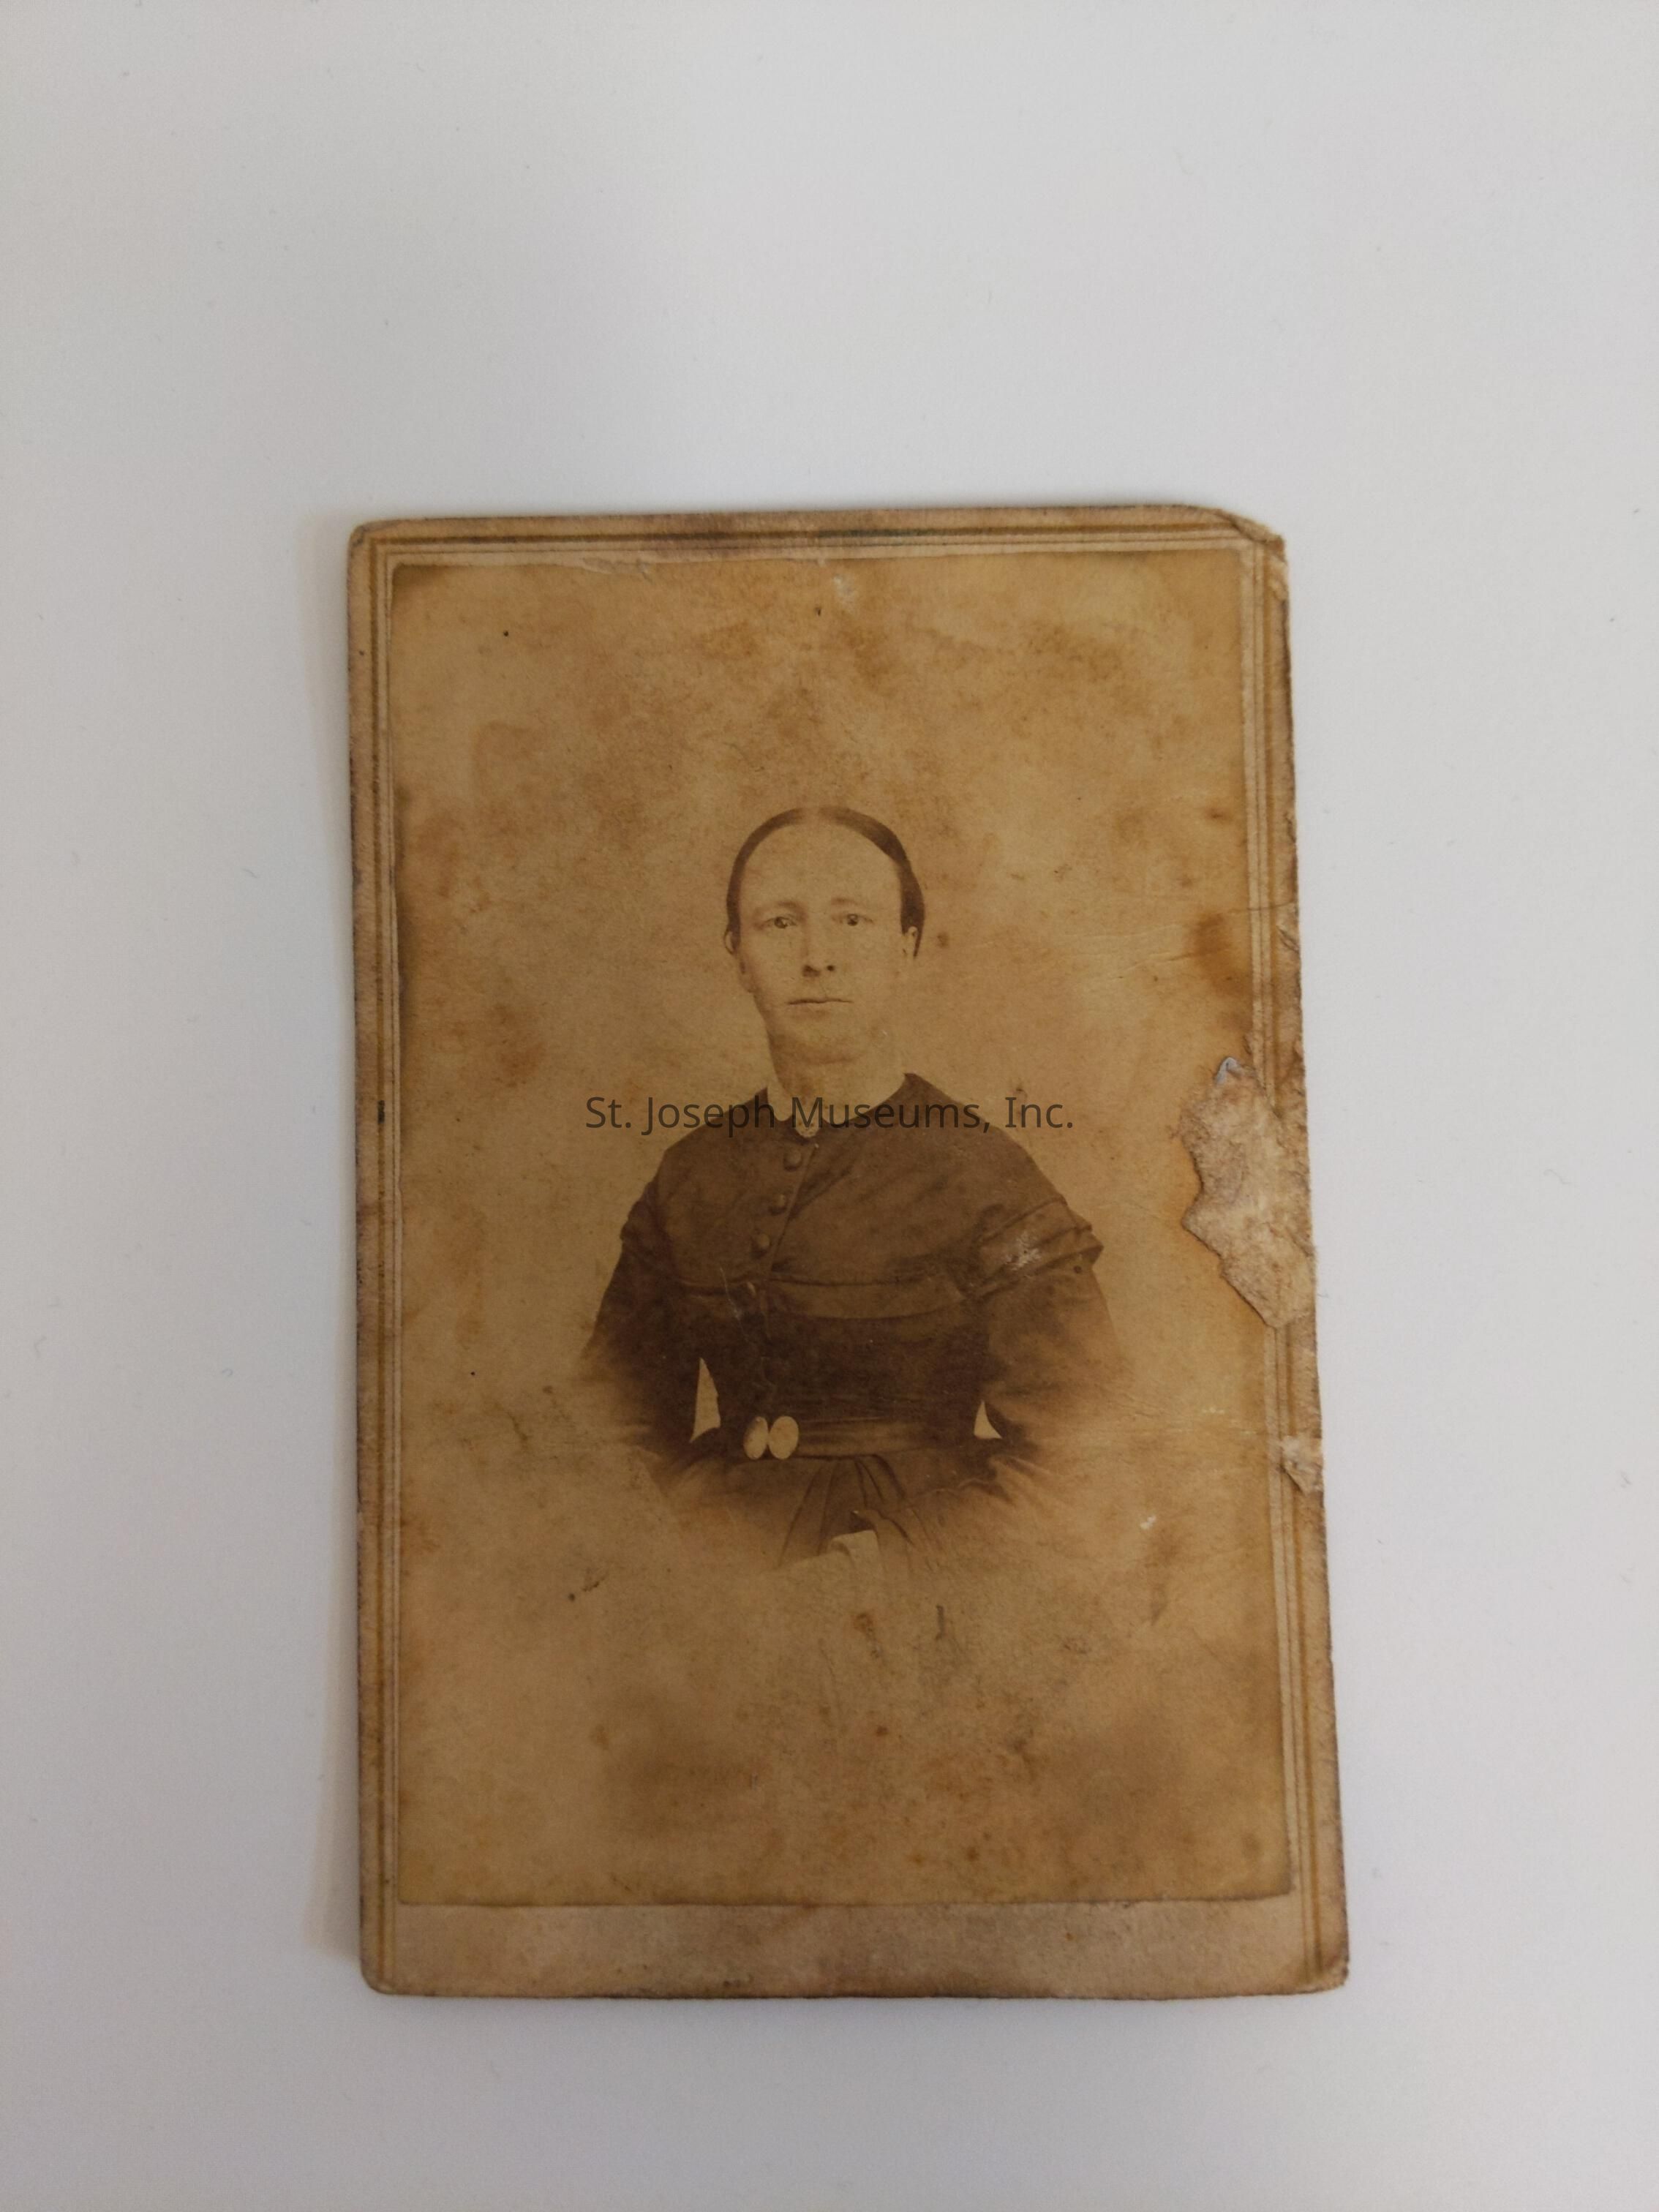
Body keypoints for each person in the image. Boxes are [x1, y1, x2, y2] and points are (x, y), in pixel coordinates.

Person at [581, 806, 1122, 1568]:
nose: (817, 959)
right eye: (779, 924)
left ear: (906, 947)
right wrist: (665, 1553)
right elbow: (611, 1429)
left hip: (912, 1573)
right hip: (710, 1562)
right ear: (738, 955)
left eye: (852, 921)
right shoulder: (691, 1174)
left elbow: (1088, 1463)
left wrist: (879, 1569)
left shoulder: (983, 1175)